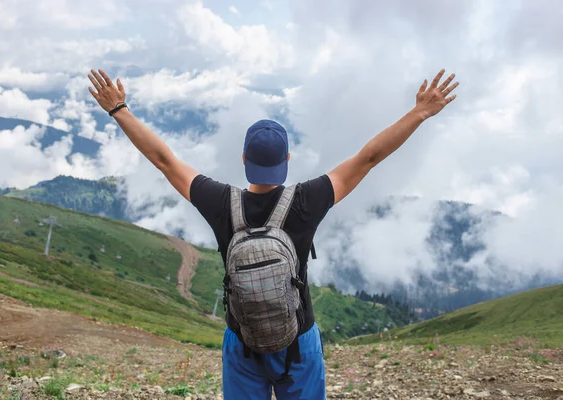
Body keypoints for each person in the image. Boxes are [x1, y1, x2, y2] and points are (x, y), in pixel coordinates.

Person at [87, 68, 458, 399]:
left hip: (242, 340)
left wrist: (118, 110)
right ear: (287, 161)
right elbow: (368, 158)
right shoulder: (307, 200)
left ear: (244, 159)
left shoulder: (220, 202)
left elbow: (164, 161)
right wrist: (420, 112)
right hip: (298, 339)